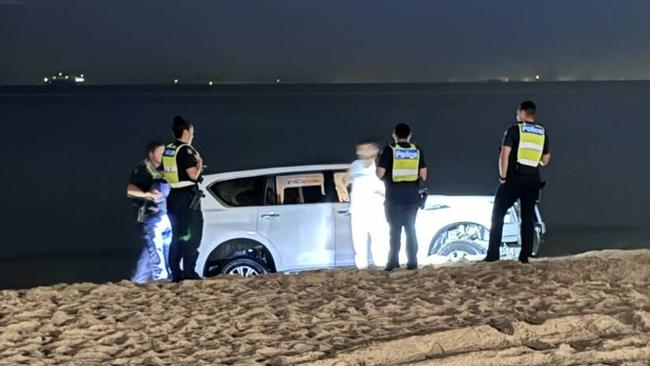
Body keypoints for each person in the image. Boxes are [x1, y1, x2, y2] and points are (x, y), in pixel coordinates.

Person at [484, 101, 551, 263]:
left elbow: (504, 155)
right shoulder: (542, 133)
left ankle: (493, 255)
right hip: (533, 178)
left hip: (515, 177)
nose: (516, 115)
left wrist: (503, 176)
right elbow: (545, 160)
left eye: (517, 113)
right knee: (527, 217)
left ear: (522, 113)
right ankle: (525, 256)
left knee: (498, 213)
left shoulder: (514, 130)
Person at [376, 123, 427, 271]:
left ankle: (393, 262)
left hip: (393, 197)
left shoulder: (389, 149)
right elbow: (423, 175)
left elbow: (380, 173)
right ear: (409, 135)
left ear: (394, 135)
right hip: (412, 197)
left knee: (395, 231)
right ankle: (412, 262)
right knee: (411, 229)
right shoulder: (417, 150)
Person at [162, 116, 205, 281]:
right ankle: (189, 272)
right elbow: (192, 175)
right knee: (192, 234)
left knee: (177, 235)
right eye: (192, 132)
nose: (193, 136)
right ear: (186, 132)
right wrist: (199, 164)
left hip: (173, 196)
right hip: (187, 197)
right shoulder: (186, 151)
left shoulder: (169, 149)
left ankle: (176, 272)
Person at [126, 140, 172, 283]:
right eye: (160, 153)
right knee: (155, 248)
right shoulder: (142, 170)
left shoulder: (163, 169)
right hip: (150, 216)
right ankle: (161, 279)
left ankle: (137, 280)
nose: (163, 155)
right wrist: (149, 195)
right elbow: (129, 190)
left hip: (164, 214)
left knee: (153, 250)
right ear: (151, 154)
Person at [347, 141, 388, 269]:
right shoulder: (355, 166)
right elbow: (346, 179)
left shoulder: (382, 166)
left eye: (368, 148)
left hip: (376, 211)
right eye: (361, 149)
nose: (363, 151)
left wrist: (381, 192)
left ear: (376, 150)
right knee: (359, 244)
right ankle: (362, 270)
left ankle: (381, 268)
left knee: (379, 242)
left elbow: (389, 187)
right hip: (358, 212)